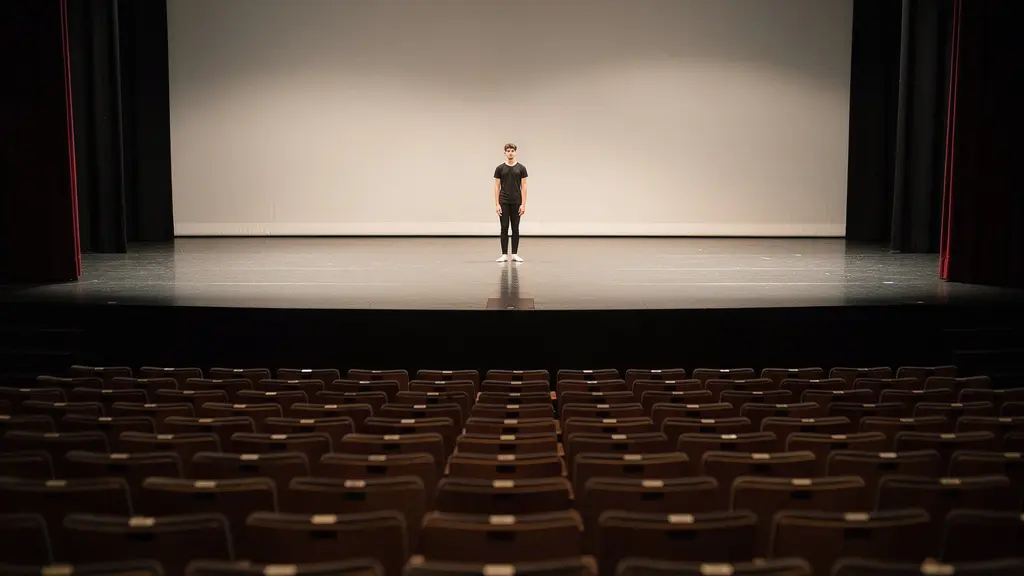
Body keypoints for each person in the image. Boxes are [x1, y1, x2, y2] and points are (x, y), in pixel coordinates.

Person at [493, 143, 528, 262]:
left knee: (515, 228)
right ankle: (504, 254)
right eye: (508, 150)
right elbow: (497, 187)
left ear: (516, 152)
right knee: (504, 227)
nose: (510, 152)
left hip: (516, 201)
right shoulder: (500, 168)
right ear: (505, 152)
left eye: (512, 150)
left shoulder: (521, 168)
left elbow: (524, 186)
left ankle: (514, 254)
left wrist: (523, 204)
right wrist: (497, 204)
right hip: (504, 201)